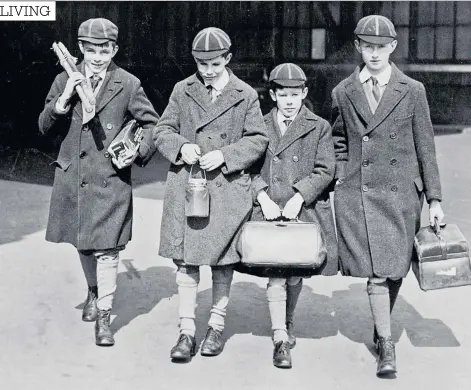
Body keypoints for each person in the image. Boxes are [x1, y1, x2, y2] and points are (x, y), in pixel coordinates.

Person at [331, 15, 444, 376]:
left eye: (381, 47)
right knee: (378, 273)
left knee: (395, 270)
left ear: (393, 48)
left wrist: (435, 200)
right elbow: (337, 141)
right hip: (359, 194)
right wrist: (340, 176)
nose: (374, 53)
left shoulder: (412, 90)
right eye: (368, 46)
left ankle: (381, 327)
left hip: (400, 196)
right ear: (358, 47)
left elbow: (426, 148)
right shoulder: (342, 92)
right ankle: (386, 343)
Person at [38, 18, 159, 346]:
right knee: (84, 244)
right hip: (74, 177)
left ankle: (104, 315)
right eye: (90, 50)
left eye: (104, 51)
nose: (96, 57)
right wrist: (64, 98)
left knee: (108, 249)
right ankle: (93, 290)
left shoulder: (128, 83)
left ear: (114, 49)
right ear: (80, 48)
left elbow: (153, 126)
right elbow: (44, 126)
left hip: (111, 178)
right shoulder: (65, 77)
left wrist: (137, 151)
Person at [152, 27, 268, 362]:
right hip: (190, 187)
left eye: (214, 64)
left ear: (228, 59)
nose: (207, 71)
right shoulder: (182, 90)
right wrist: (181, 146)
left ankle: (215, 326)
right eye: (201, 64)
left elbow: (258, 139)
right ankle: (186, 331)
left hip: (226, 189)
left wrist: (227, 155)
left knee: (221, 263)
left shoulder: (245, 94)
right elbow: (162, 130)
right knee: (187, 262)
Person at [235, 63, 338, 369]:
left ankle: (288, 320)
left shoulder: (319, 127)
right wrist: (262, 195)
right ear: (273, 95)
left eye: (296, 94)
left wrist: (300, 195)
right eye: (284, 94)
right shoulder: (258, 126)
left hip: (301, 211)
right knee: (275, 274)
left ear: (304, 94)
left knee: (295, 272)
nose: (290, 100)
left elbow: (325, 169)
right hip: (268, 209)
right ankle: (281, 336)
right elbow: (247, 169)